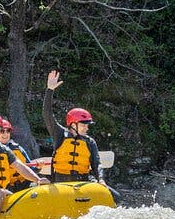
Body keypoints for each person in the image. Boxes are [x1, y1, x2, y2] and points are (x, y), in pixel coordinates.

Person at [43, 70, 120, 202]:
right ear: (72, 124)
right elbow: (47, 115)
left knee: (117, 198)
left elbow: (97, 164)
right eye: (83, 124)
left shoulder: (90, 142)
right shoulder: (59, 134)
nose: (86, 127)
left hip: (83, 182)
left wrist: (101, 179)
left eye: (87, 124)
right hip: (60, 182)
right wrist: (50, 90)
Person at [0, 119, 35, 193]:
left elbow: (31, 168)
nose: (5, 134)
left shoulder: (18, 148)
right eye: (2, 131)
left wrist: (38, 167)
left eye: (7, 131)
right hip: (6, 187)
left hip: (24, 184)